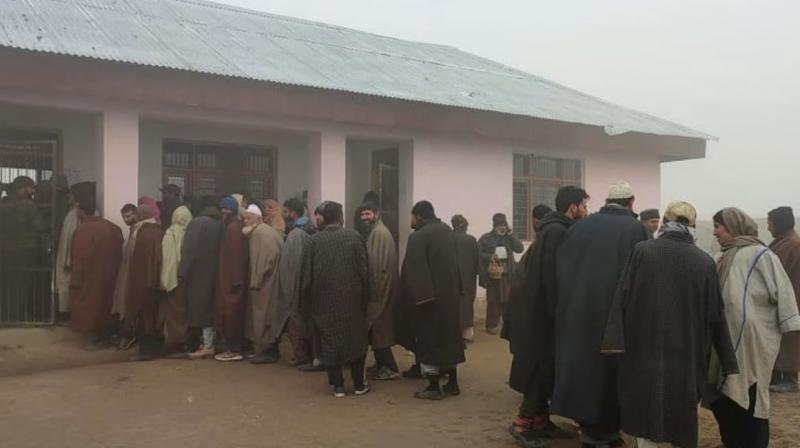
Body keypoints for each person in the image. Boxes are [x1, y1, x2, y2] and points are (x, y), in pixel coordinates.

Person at [601, 201, 738, 448]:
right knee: (682, 411)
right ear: (694, 228)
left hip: (643, 348)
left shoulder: (642, 251)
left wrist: (614, 343)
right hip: (687, 353)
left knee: (645, 407)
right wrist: (728, 360)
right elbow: (715, 314)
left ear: (664, 223)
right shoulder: (704, 261)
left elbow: (621, 298)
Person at [550, 181, 648, 447]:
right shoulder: (634, 228)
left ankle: (591, 433)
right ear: (631, 201)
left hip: (577, 312)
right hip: (612, 317)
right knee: (610, 377)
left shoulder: (580, 225)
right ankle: (607, 433)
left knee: (584, 373)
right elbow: (639, 277)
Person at [705, 208, 800, 447]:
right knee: (722, 396)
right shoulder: (719, 257)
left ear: (734, 227)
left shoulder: (762, 255)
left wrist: (789, 327)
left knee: (752, 397)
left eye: (719, 226)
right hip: (721, 341)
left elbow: (784, 295)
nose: (715, 231)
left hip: (754, 342)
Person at [506, 186, 589, 447]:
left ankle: (541, 422)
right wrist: (560, 314)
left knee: (548, 368)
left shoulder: (554, 228)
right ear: (573, 207)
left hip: (543, 313)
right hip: (545, 316)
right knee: (541, 370)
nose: (586, 211)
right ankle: (522, 423)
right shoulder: (556, 231)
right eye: (584, 206)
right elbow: (552, 278)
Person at [299, 201, 370, 397]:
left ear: (324, 218)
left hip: (323, 302)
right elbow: (365, 272)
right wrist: (367, 298)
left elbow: (306, 277)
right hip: (352, 301)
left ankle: (337, 385)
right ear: (340, 217)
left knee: (330, 342)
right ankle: (358, 385)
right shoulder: (355, 237)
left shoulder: (313, 242)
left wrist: (305, 304)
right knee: (356, 341)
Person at [397, 200, 465, 400]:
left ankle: (434, 386)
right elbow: (456, 263)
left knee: (429, 341)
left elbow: (415, 270)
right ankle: (452, 383)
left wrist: (417, 299)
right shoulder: (447, 230)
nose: (411, 221)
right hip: (450, 297)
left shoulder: (418, 237)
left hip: (428, 300)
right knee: (450, 339)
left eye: (411, 216)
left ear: (418, 216)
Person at [68, 182, 124, 346]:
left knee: (90, 305)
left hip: (91, 275)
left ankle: (95, 335)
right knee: (107, 303)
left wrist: (76, 277)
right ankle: (107, 333)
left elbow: (79, 257)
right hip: (112, 274)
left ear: (81, 210)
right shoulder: (112, 227)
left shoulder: (83, 230)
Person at [270, 198, 319, 370]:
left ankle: (301, 356)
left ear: (292, 212)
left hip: (296, 287)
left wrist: (290, 291)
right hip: (308, 286)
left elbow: (294, 266)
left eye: (285, 211)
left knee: (295, 322)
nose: (282, 215)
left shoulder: (296, 234)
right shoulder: (310, 229)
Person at [361, 201, 401, 380]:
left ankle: (390, 367)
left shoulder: (378, 233)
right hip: (382, 288)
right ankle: (381, 365)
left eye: (368, 214)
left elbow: (375, 266)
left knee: (379, 328)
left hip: (380, 290)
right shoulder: (377, 232)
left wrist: (371, 292)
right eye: (362, 214)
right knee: (377, 329)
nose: (364, 218)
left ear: (377, 214)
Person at [180, 197, 224, 360]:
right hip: (217, 273)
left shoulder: (196, 223)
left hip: (198, 274)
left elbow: (189, 250)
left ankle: (207, 346)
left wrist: (182, 271)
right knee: (212, 308)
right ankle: (211, 343)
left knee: (201, 311)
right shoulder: (220, 223)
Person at [242, 204, 284, 364]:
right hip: (267, 281)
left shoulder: (260, 233)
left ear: (258, 218)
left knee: (264, 317)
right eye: (244, 218)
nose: (246, 221)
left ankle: (268, 351)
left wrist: (255, 280)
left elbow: (266, 259)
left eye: (249, 218)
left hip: (265, 282)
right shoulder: (261, 231)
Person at [124, 201, 164, 361]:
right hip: (154, 281)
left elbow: (141, 260)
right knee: (154, 316)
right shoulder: (159, 231)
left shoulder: (143, 233)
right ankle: (154, 349)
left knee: (144, 317)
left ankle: (146, 352)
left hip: (143, 282)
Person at [768, 206, 800, 393]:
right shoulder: (785, 242)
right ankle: (782, 375)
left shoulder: (791, 245)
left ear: (779, 224)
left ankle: (789, 376)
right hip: (788, 302)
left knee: (790, 340)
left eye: (771, 223)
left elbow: (775, 273)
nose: (768, 227)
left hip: (792, 302)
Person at [214, 196, 250, 362]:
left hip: (232, 282)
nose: (223, 211)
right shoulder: (231, 226)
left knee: (231, 314)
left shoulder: (233, 229)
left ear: (233, 210)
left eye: (227, 209)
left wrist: (236, 280)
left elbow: (236, 256)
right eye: (222, 208)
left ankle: (234, 350)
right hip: (229, 280)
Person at [478, 213, 524, 334]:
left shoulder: (509, 237)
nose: (502, 228)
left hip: (508, 274)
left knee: (508, 301)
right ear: (494, 225)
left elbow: (519, 248)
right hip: (493, 276)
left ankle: (507, 325)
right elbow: (477, 254)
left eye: (503, 225)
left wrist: (511, 234)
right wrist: (491, 256)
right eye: (499, 225)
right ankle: (492, 326)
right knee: (493, 301)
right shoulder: (486, 238)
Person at [160, 205, 192, 353]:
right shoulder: (192, 232)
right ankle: (186, 341)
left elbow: (168, 259)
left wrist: (165, 281)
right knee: (185, 312)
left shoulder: (170, 233)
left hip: (174, 279)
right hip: (188, 279)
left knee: (173, 313)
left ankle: (176, 343)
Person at [111, 203, 139, 348]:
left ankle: (129, 336)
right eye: (123, 217)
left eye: (128, 216)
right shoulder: (133, 230)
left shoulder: (138, 231)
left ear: (135, 214)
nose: (125, 219)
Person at [451, 214, 479, 343]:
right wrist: (482, 277)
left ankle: (453, 333)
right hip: (468, 278)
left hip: (451, 278)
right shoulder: (471, 240)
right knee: (467, 305)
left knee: (453, 304)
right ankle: (467, 335)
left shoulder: (447, 239)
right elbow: (477, 260)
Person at [55, 184, 80, 317]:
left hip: (68, 256)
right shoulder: (73, 212)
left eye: (71, 194)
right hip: (67, 254)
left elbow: (70, 239)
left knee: (65, 282)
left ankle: (65, 312)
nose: (68, 197)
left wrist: (67, 258)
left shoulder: (73, 214)